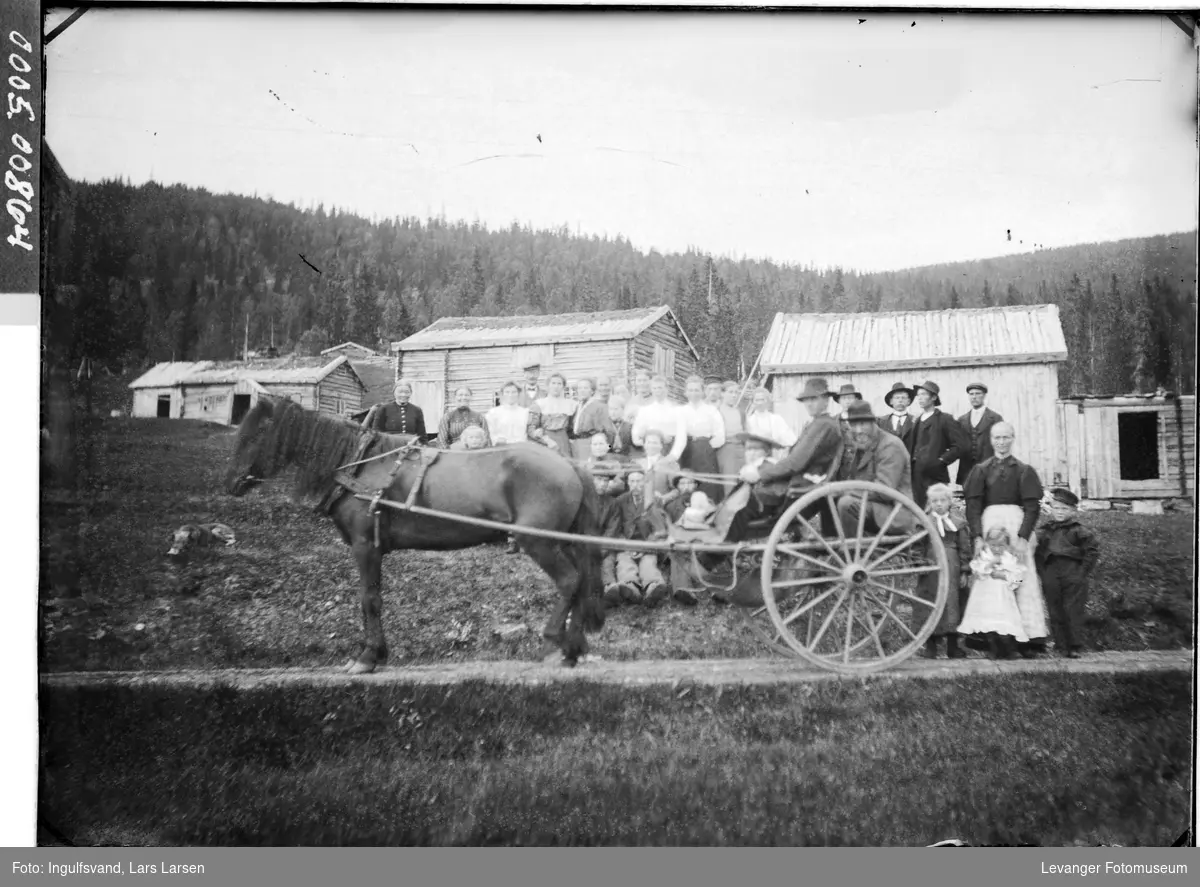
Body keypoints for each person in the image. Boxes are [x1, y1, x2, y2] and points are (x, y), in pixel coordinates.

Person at [963, 422, 1050, 656]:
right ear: (991, 440)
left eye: (1006, 437)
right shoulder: (981, 470)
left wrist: (1023, 538)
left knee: (1022, 577)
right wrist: (978, 537)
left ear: (1013, 439)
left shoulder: (1023, 470)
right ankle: (993, 638)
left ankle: (1027, 640)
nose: (1001, 442)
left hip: (1016, 524)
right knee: (992, 580)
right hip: (990, 525)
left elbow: (1032, 507)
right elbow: (973, 506)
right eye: (997, 438)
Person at [728, 378, 843, 541]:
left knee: (742, 504)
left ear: (826, 400)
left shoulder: (823, 425)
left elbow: (795, 463)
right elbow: (794, 459)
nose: (809, 404)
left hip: (803, 486)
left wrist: (761, 474)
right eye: (806, 400)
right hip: (799, 483)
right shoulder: (816, 424)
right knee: (740, 495)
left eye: (814, 399)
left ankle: (714, 554)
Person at [1035, 487, 1100, 659]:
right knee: (1054, 608)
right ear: (1051, 509)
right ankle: (1060, 645)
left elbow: (1092, 551)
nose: (1060, 512)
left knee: (1072, 609)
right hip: (1051, 572)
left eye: (1065, 509)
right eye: (1057, 508)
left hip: (1072, 572)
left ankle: (1075, 645)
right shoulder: (1045, 530)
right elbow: (1036, 551)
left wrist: (1082, 572)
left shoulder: (1079, 531)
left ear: (1073, 510)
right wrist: (1042, 571)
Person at [834, 401, 916, 534]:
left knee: (846, 502)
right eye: (854, 424)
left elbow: (884, 491)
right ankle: (831, 540)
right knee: (829, 497)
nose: (859, 430)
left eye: (863, 424)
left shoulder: (890, 445)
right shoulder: (860, 445)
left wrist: (845, 490)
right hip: (874, 507)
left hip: (893, 513)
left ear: (873, 423)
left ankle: (850, 550)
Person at [914, 483, 970, 659]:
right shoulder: (924, 523)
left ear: (949, 502)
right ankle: (930, 647)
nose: (939, 504)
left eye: (943, 500)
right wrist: (920, 564)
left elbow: (965, 548)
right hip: (931, 569)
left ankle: (953, 647)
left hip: (952, 568)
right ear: (930, 502)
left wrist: (964, 571)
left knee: (953, 603)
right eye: (935, 501)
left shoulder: (958, 523)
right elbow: (917, 546)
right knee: (929, 602)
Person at [957, 526, 1030, 659]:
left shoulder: (1010, 558)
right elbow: (978, 572)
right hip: (986, 597)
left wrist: (1005, 576)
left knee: (1004, 621)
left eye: (1001, 546)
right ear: (987, 544)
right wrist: (991, 564)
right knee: (988, 622)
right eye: (993, 545)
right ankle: (993, 649)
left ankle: (1009, 649)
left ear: (1007, 545)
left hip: (1003, 598)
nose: (997, 549)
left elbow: (1019, 578)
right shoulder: (983, 557)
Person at [612, 468, 671, 608]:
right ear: (627, 483)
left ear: (645, 482)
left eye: (639, 481)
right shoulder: (620, 501)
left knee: (648, 561)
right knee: (624, 561)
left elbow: (659, 529)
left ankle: (653, 586)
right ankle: (630, 586)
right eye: (632, 481)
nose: (635, 484)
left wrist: (645, 548)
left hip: (648, 542)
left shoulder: (653, 500)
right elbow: (616, 527)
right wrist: (626, 545)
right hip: (627, 543)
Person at [909, 380, 967, 509]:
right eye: (918, 395)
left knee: (937, 510)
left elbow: (959, 446)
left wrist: (941, 460)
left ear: (933, 397)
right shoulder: (917, 420)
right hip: (917, 475)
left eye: (924, 394)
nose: (920, 398)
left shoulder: (945, 419)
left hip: (935, 475)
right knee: (919, 511)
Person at [677, 375, 726, 502]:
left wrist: (706, 446)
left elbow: (720, 435)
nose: (694, 393)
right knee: (688, 480)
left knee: (707, 482)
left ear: (703, 392)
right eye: (691, 390)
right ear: (686, 392)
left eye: (697, 390)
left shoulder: (711, 411)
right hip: (686, 450)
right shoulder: (681, 411)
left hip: (705, 451)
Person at [956, 382, 1005, 486]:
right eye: (971, 394)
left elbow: (1001, 444)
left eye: (978, 393)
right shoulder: (962, 420)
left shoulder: (995, 418)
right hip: (967, 469)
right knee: (970, 499)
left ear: (984, 396)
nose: (974, 397)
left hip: (989, 468)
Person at [631, 375, 688, 464]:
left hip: (670, 451)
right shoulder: (645, 411)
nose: (658, 391)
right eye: (655, 388)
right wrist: (650, 442)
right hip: (650, 452)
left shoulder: (677, 410)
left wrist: (673, 456)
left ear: (666, 389)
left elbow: (681, 437)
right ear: (651, 390)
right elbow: (636, 436)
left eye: (660, 388)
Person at [530, 372, 578, 454]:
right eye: (553, 383)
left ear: (563, 386)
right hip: (545, 441)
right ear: (548, 385)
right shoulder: (539, 404)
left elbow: (573, 428)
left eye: (559, 384)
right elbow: (531, 428)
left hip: (564, 441)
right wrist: (545, 439)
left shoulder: (571, 404)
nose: (556, 386)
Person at [744, 387, 797, 460]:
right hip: (755, 458)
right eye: (757, 400)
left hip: (774, 455)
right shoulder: (749, 421)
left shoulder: (776, 419)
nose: (760, 403)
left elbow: (790, 439)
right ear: (753, 402)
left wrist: (777, 440)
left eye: (762, 399)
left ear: (767, 400)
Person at [571, 377, 616, 461]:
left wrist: (608, 448)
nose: (582, 390)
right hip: (578, 445)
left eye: (585, 388)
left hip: (592, 444)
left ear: (592, 391)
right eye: (580, 388)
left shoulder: (600, 406)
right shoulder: (578, 406)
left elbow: (610, 431)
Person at [714, 381, 747, 496]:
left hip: (741, 450)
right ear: (722, 393)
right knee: (729, 483)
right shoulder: (716, 411)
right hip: (726, 450)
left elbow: (745, 430)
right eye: (730, 392)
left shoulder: (740, 412)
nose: (734, 395)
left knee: (743, 481)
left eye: (736, 392)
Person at [486, 381, 537, 446]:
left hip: (521, 450)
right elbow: (490, 433)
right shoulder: (493, 413)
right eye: (507, 392)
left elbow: (529, 434)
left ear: (518, 394)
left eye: (514, 392)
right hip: (501, 449)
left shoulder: (525, 413)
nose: (510, 395)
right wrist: (497, 440)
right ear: (502, 394)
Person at [637, 429, 680, 501]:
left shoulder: (670, 464)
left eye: (655, 443)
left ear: (661, 445)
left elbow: (677, 489)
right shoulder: (636, 463)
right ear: (644, 445)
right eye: (648, 442)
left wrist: (663, 499)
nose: (651, 445)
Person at [877, 381, 916, 454]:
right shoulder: (881, 421)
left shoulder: (915, 421)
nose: (900, 400)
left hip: (909, 462)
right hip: (888, 461)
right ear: (891, 401)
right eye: (897, 398)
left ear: (908, 401)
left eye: (903, 398)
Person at [606, 395, 635, 459]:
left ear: (623, 409)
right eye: (610, 409)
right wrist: (610, 446)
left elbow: (631, 445)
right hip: (610, 457)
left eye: (616, 409)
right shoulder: (605, 426)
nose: (613, 412)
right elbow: (606, 445)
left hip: (626, 457)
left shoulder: (629, 426)